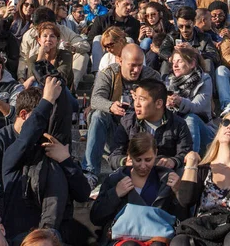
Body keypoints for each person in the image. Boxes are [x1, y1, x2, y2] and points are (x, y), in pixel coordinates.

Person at [1, 78, 90, 243]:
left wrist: (66, 160)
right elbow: (26, 138)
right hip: (21, 236)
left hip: (55, 237)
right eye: (42, 117)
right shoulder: (13, 151)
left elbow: (83, 193)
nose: (45, 125)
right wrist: (47, 100)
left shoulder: (57, 154)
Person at [171, 111, 230, 246]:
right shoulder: (203, 170)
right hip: (204, 229)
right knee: (179, 241)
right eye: (226, 123)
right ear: (218, 132)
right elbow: (186, 200)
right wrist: (191, 164)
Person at [84, 44, 161, 186]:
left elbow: (161, 104)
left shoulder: (151, 76)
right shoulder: (109, 74)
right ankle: (90, 171)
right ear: (120, 61)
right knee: (98, 115)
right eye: (132, 65)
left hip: (139, 131)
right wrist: (110, 106)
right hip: (113, 129)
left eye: (139, 65)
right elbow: (95, 99)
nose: (136, 70)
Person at [91, 132, 184, 244]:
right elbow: (96, 217)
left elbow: (181, 219)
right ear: (129, 156)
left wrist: (178, 192)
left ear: (156, 154)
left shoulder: (166, 179)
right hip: (122, 238)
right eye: (138, 160)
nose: (143, 166)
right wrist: (115, 194)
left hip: (158, 237)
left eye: (148, 160)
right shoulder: (115, 179)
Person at [166, 47, 215, 154]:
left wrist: (180, 102)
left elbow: (197, 107)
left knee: (190, 118)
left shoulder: (204, 79)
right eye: (173, 62)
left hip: (204, 130)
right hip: (178, 129)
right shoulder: (170, 82)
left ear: (192, 64)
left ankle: (190, 161)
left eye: (179, 61)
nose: (175, 65)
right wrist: (168, 105)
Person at [158, 7, 220, 75]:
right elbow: (162, 51)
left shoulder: (204, 37)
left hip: (197, 68)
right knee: (165, 63)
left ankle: (208, 84)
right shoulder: (172, 36)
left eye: (188, 26)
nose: (184, 30)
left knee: (208, 62)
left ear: (194, 22)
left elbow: (215, 56)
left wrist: (195, 51)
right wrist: (174, 56)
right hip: (177, 67)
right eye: (181, 26)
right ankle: (164, 84)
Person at [23, 22, 74, 89]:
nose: (48, 39)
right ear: (39, 40)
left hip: (62, 91)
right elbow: (31, 78)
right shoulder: (32, 59)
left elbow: (60, 77)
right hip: (40, 93)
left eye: (52, 36)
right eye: (45, 36)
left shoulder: (66, 55)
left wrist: (35, 77)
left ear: (57, 40)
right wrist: (41, 55)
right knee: (34, 83)